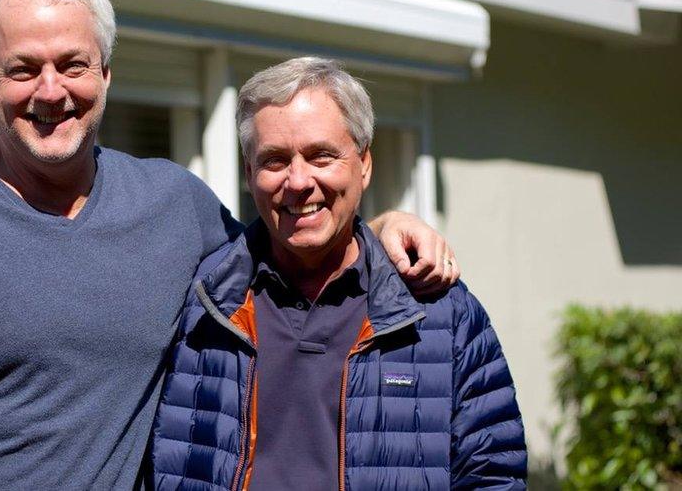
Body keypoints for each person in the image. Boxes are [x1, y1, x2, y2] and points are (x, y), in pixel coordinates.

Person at [0, 0, 459, 490]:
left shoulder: (175, 204)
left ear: (105, 74)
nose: (52, 90)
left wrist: (380, 226)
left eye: (73, 64)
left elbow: (294, 250)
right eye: (23, 68)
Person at [148, 57, 526, 490]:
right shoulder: (200, 303)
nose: (298, 181)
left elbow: (492, 476)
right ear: (249, 175)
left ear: (364, 164)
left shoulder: (442, 314)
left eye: (321, 155)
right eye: (274, 160)